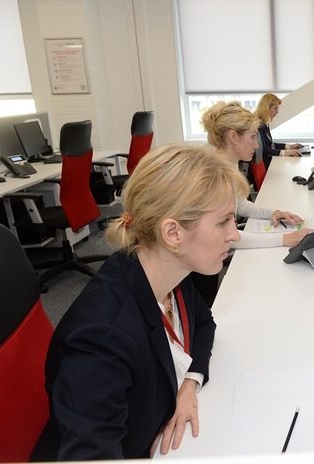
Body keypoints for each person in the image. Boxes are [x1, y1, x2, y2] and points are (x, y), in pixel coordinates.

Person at [31, 144, 245, 460]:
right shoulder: (103, 337)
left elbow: (203, 323)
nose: (235, 234)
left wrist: (189, 382)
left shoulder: (171, 272)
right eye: (223, 221)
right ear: (173, 233)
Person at [201, 100, 313, 248]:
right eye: (253, 137)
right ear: (233, 137)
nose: (256, 145)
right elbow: (225, 236)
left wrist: (273, 212)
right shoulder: (214, 176)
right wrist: (283, 239)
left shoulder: (230, 165)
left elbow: (240, 206)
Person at [254, 93, 304, 169]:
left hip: (267, 162)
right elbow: (263, 149)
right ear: (266, 108)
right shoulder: (258, 125)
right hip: (264, 165)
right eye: (275, 108)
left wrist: (289, 146)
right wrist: (285, 153)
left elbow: (270, 144)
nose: (277, 112)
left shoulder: (264, 123)